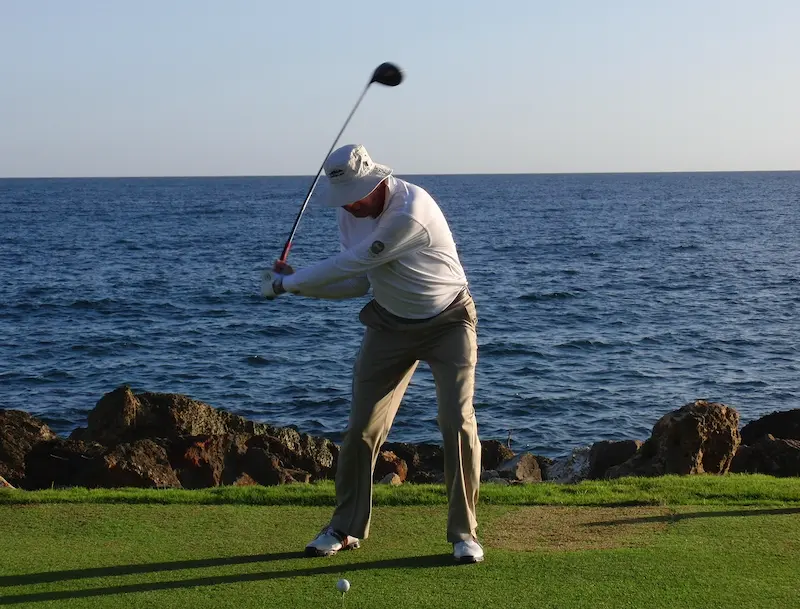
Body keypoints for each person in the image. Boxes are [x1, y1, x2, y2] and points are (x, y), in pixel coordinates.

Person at [261, 144, 484, 564]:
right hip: (387, 324)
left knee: (456, 421)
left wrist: (285, 285)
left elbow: (357, 260)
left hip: (449, 321)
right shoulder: (350, 213)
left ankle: (464, 535)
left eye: (356, 195)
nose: (350, 205)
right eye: (344, 198)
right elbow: (356, 282)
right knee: (360, 428)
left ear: (377, 180)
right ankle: (344, 529)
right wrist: (298, 284)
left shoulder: (411, 210)